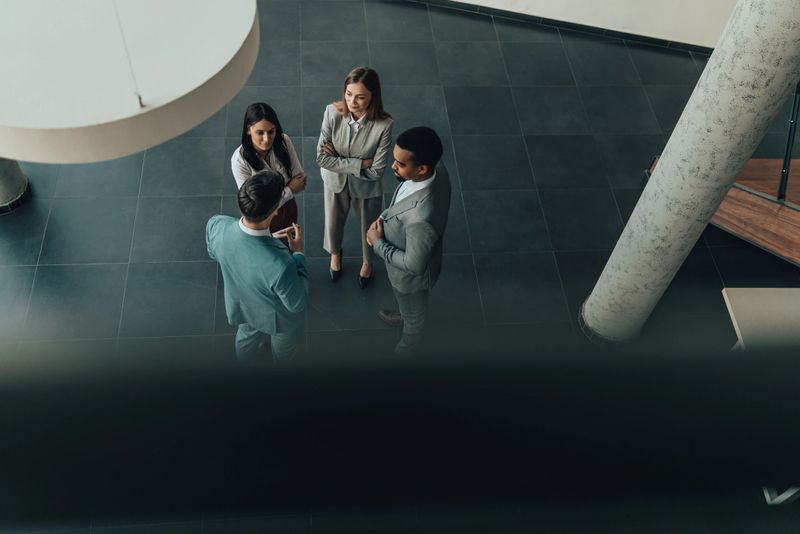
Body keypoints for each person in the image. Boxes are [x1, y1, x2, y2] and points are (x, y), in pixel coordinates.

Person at [206, 170, 308, 361]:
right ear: (275, 210)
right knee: (284, 354)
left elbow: (216, 253)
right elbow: (297, 303)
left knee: (245, 341)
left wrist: (269, 238)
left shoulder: (217, 226)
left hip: (242, 307)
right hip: (278, 321)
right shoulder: (281, 264)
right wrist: (298, 254)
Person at [366, 127, 451, 354]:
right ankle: (405, 314)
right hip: (410, 245)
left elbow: (414, 265)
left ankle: (409, 344)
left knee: (414, 311)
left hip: (408, 279)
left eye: (400, 164)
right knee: (409, 307)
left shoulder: (420, 220)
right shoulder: (437, 168)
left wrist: (377, 242)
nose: (393, 166)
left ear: (422, 168)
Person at [317, 66, 393, 288]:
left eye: (360, 97)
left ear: (373, 97)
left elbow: (376, 171)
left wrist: (338, 160)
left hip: (367, 187)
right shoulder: (331, 112)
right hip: (334, 182)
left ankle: (368, 262)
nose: (352, 102)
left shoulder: (384, 125)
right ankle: (335, 254)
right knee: (332, 224)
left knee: (369, 227)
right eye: (349, 94)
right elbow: (321, 158)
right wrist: (360, 163)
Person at [231, 102, 307, 236]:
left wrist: (272, 198)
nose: (266, 139)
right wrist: (289, 189)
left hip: (288, 208)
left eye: (271, 132)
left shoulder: (284, 142)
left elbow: (300, 181)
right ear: (248, 130)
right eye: (260, 133)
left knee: (290, 243)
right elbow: (254, 207)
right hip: (261, 221)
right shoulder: (239, 161)